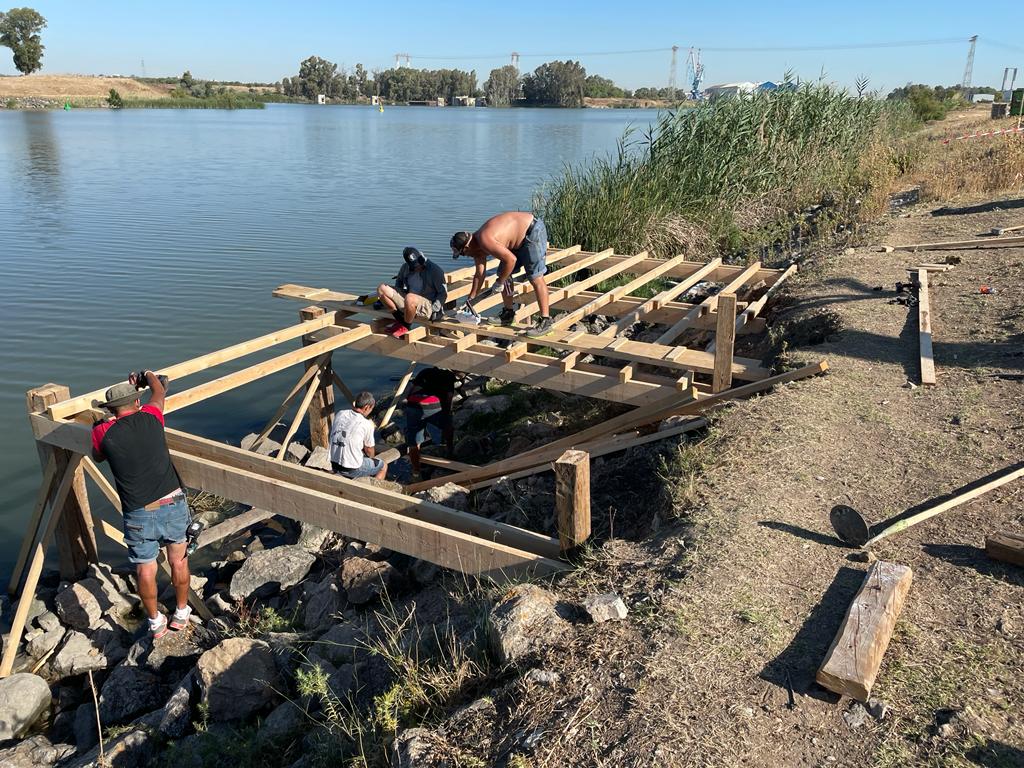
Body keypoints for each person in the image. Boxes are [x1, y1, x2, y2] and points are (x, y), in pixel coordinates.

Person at [91, 371, 191, 639]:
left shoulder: (102, 431)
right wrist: (147, 376)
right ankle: (181, 613)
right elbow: (159, 391)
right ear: (137, 402)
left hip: (138, 512)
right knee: (178, 561)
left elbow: (97, 455)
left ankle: (156, 621)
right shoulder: (151, 415)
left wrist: (104, 421)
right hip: (171, 501)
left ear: (111, 409)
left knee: (145, 568)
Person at [450, 211, 552, 338]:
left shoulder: (484, 239)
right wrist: (471, 299)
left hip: (531, 231)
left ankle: (546, 321)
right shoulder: (476, 248)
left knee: (535, 277)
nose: (466, 256)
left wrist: (500, 282)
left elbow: (511, 260)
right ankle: (508, 314)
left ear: (466, 248)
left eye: (463, 254)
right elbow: (479, 274)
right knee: (503, 272)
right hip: (517, 240)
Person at [377, 246, 448, 338]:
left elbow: (443, 293)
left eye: (419, 264)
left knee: (410, 297)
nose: (418, 267)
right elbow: (399, 283)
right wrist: (390, 300)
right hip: (408, 301)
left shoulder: (435, 270)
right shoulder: (405, 268)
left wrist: (435, 309)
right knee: (382, 288)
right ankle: (400, 321)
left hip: (427, 305)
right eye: (415, 266)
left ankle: (406, 326)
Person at [403, 367, 457, 481]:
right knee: (448, 426)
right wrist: (446, 418)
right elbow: (448, 398)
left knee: (413, 442)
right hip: (432, 405)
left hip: (413, 404)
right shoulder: (449, 377)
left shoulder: (425, 371)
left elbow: (411, 389)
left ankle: (416, 472)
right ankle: (449, 451)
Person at [330, 391, 389, 480]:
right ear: (366, 407)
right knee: (383, 466)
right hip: (351, 468)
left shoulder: (340, 413)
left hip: (334, 463)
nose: (370, 411)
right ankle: (374, 489)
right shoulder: (366, 424)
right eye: (371, 409)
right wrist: (371, 459)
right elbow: (369, 450)